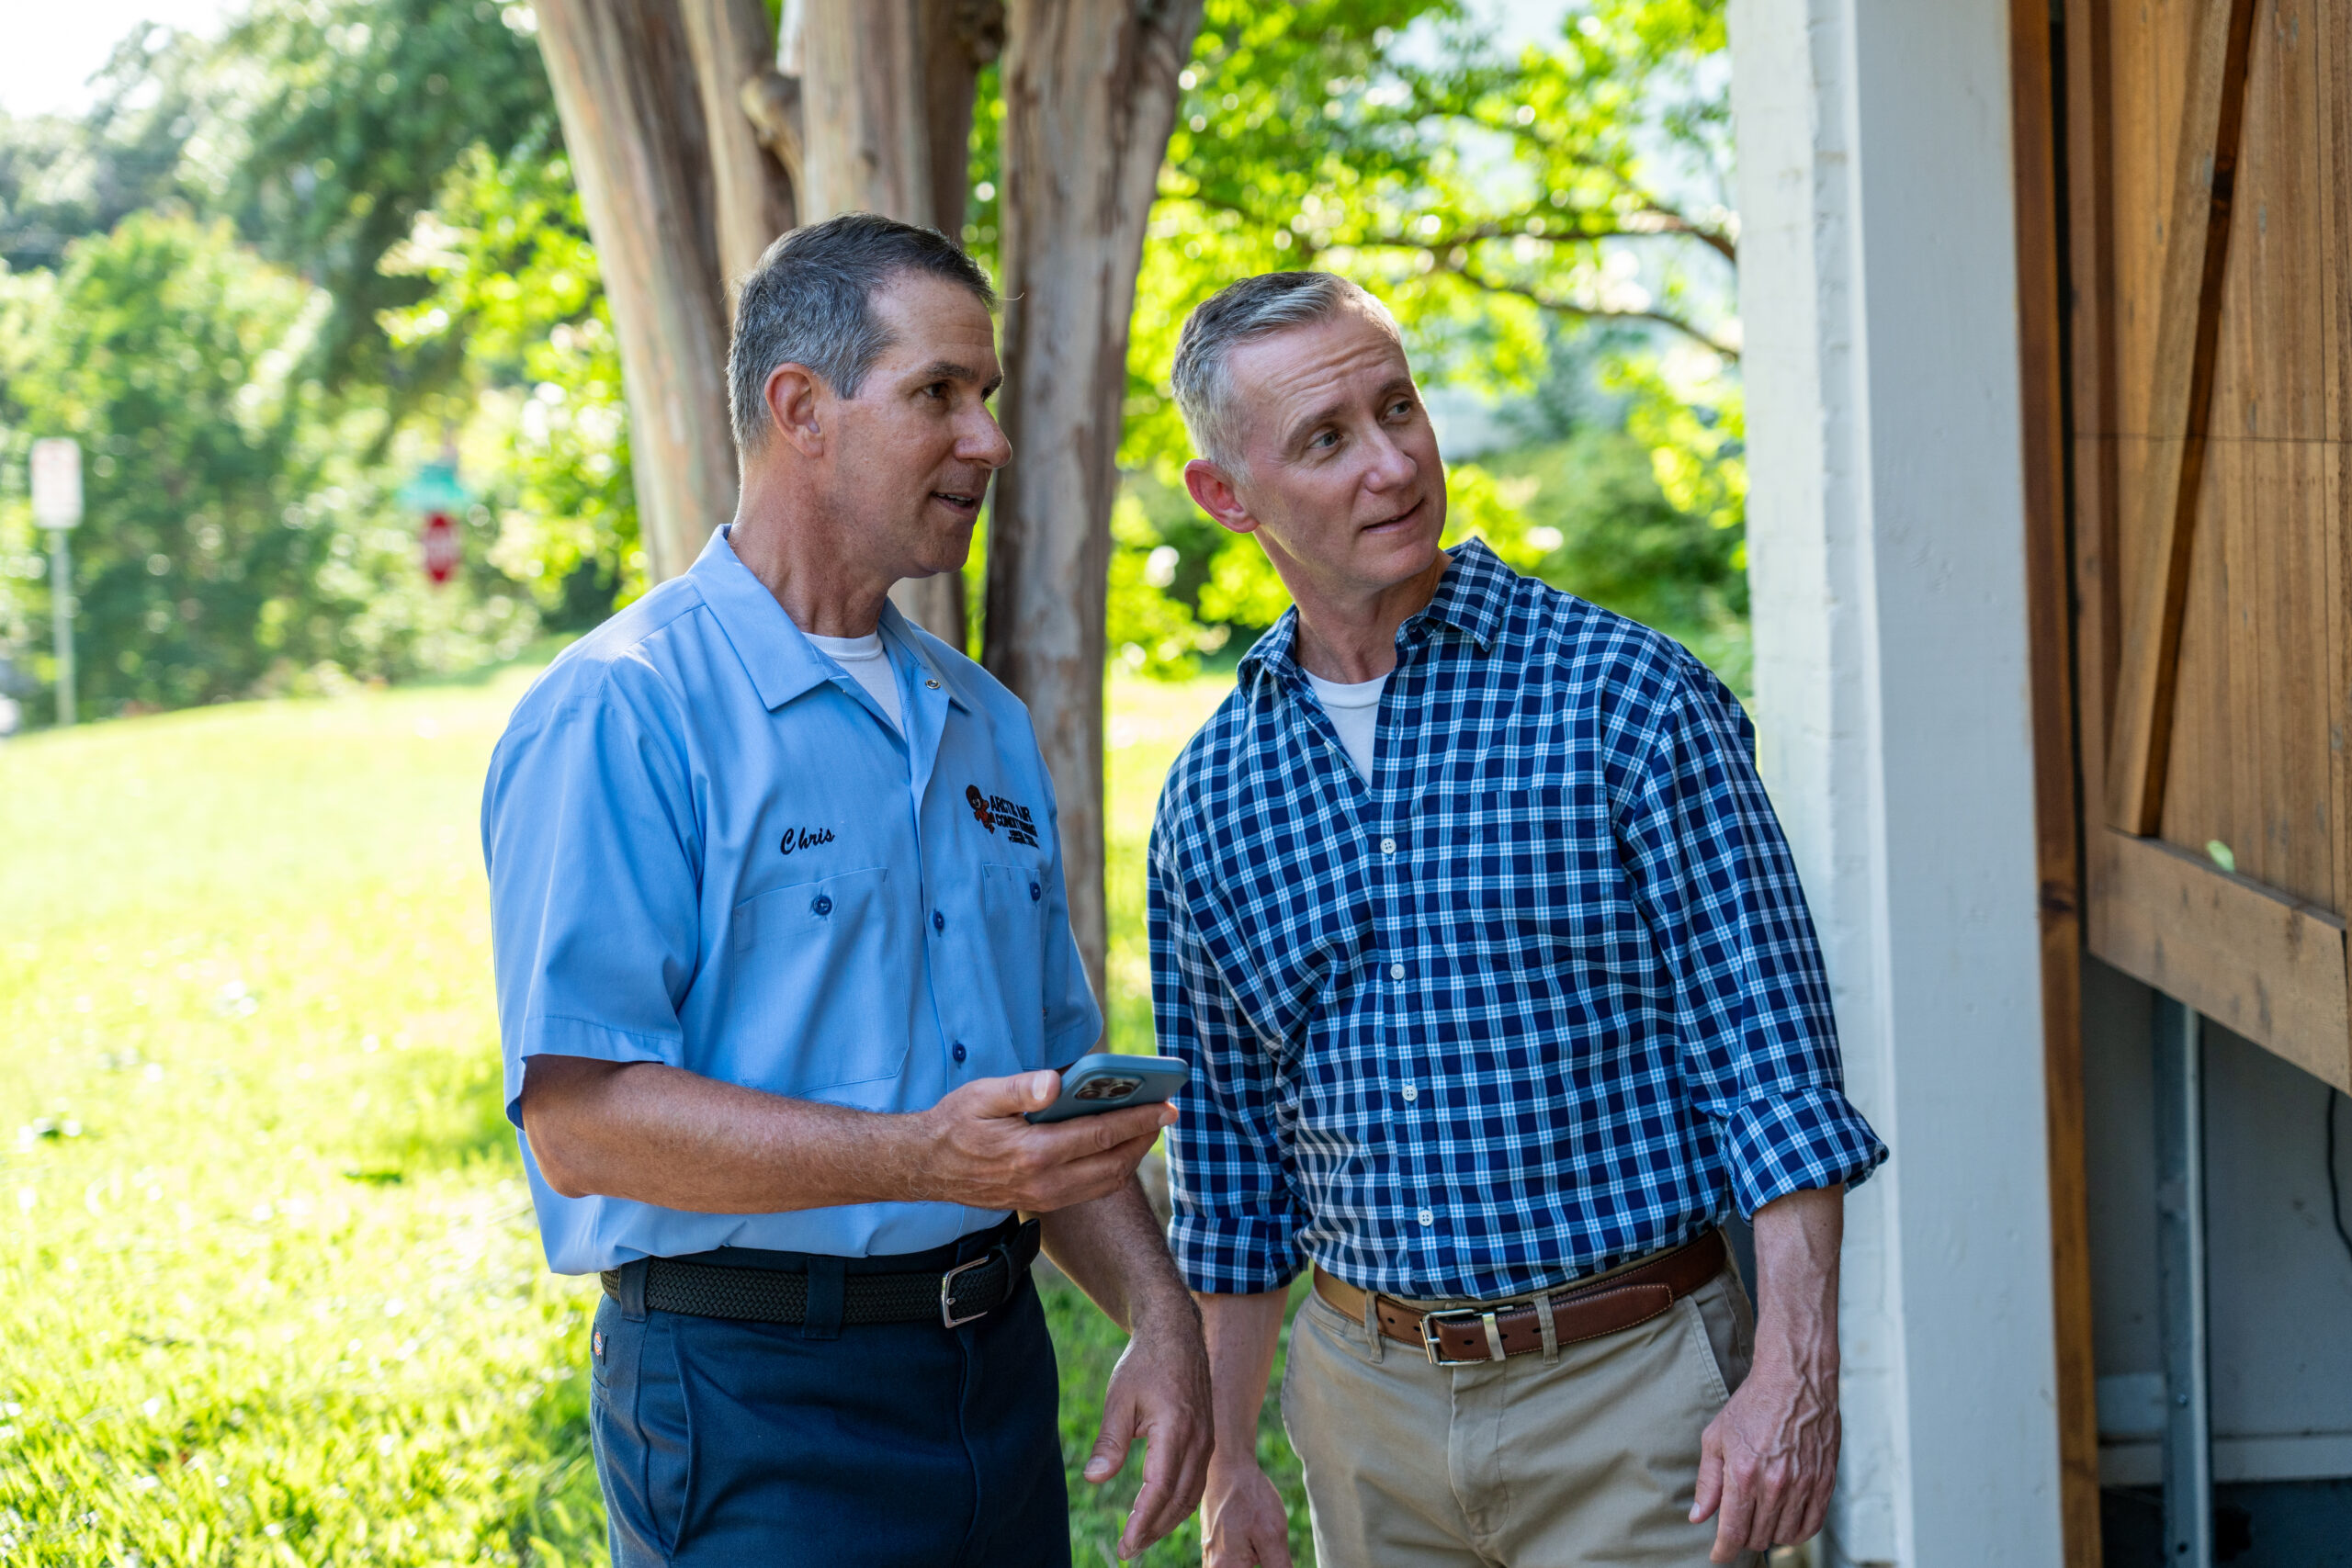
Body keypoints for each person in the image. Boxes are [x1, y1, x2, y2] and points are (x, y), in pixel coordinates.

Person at [481, 213, 1210, 1568]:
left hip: (991, 1381)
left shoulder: (985, 724)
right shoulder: (621, 713)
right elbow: (582, 1122)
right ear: (801, 407)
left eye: (985, 397)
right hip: (746, 1395)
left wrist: (1161, 1320)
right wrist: (921, 1156)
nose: (986, 439)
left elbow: (1047, 1094)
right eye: (939, 392)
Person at [1148, 270, 1888, 1568]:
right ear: (1228, 495)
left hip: (1639, 1395)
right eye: (1327, 439)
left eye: (1399, 409)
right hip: (1365, 1412)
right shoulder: (1213, 793)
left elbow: (1778, 1085)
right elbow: (1232, 1175)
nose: (1392, 464)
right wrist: (1228, 1466)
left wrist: (1793, 1377)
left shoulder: (1631, 701)